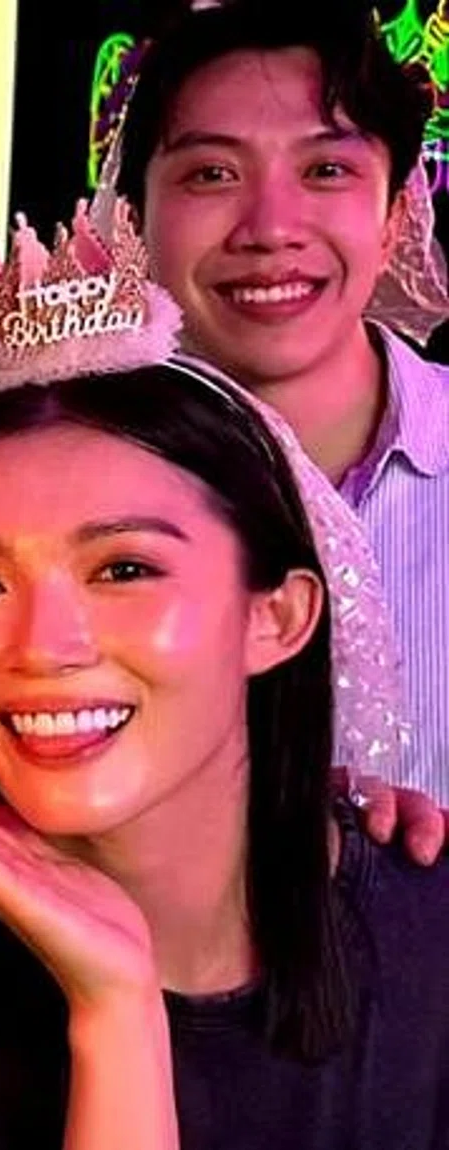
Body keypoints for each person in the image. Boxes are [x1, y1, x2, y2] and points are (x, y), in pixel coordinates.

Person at [0, 205, 449, 1149]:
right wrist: (116, 1015)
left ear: (279, 616)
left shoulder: (427, 922)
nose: (43, 645)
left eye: (124, 570)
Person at [113, 0, 449, 801]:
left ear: (398, 217)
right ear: (135, 221)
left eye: (325, 170)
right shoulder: (52, 478)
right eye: (212, 174)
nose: (269, 229)